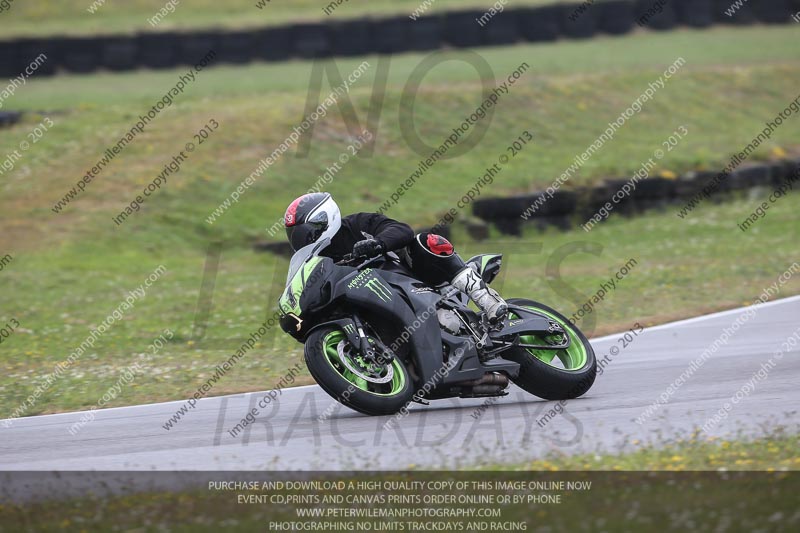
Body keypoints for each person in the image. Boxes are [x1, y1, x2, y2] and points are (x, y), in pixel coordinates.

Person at [283, 192, 507, 322]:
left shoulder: (357, 223)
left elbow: (401, 230)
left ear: (324, 219)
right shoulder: (316, 261)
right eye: (295, 235)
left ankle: (486, 299)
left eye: (305, 232)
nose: (302, 239)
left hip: (412, 280)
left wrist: (377, 244)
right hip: (372, 301)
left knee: (424, 241)